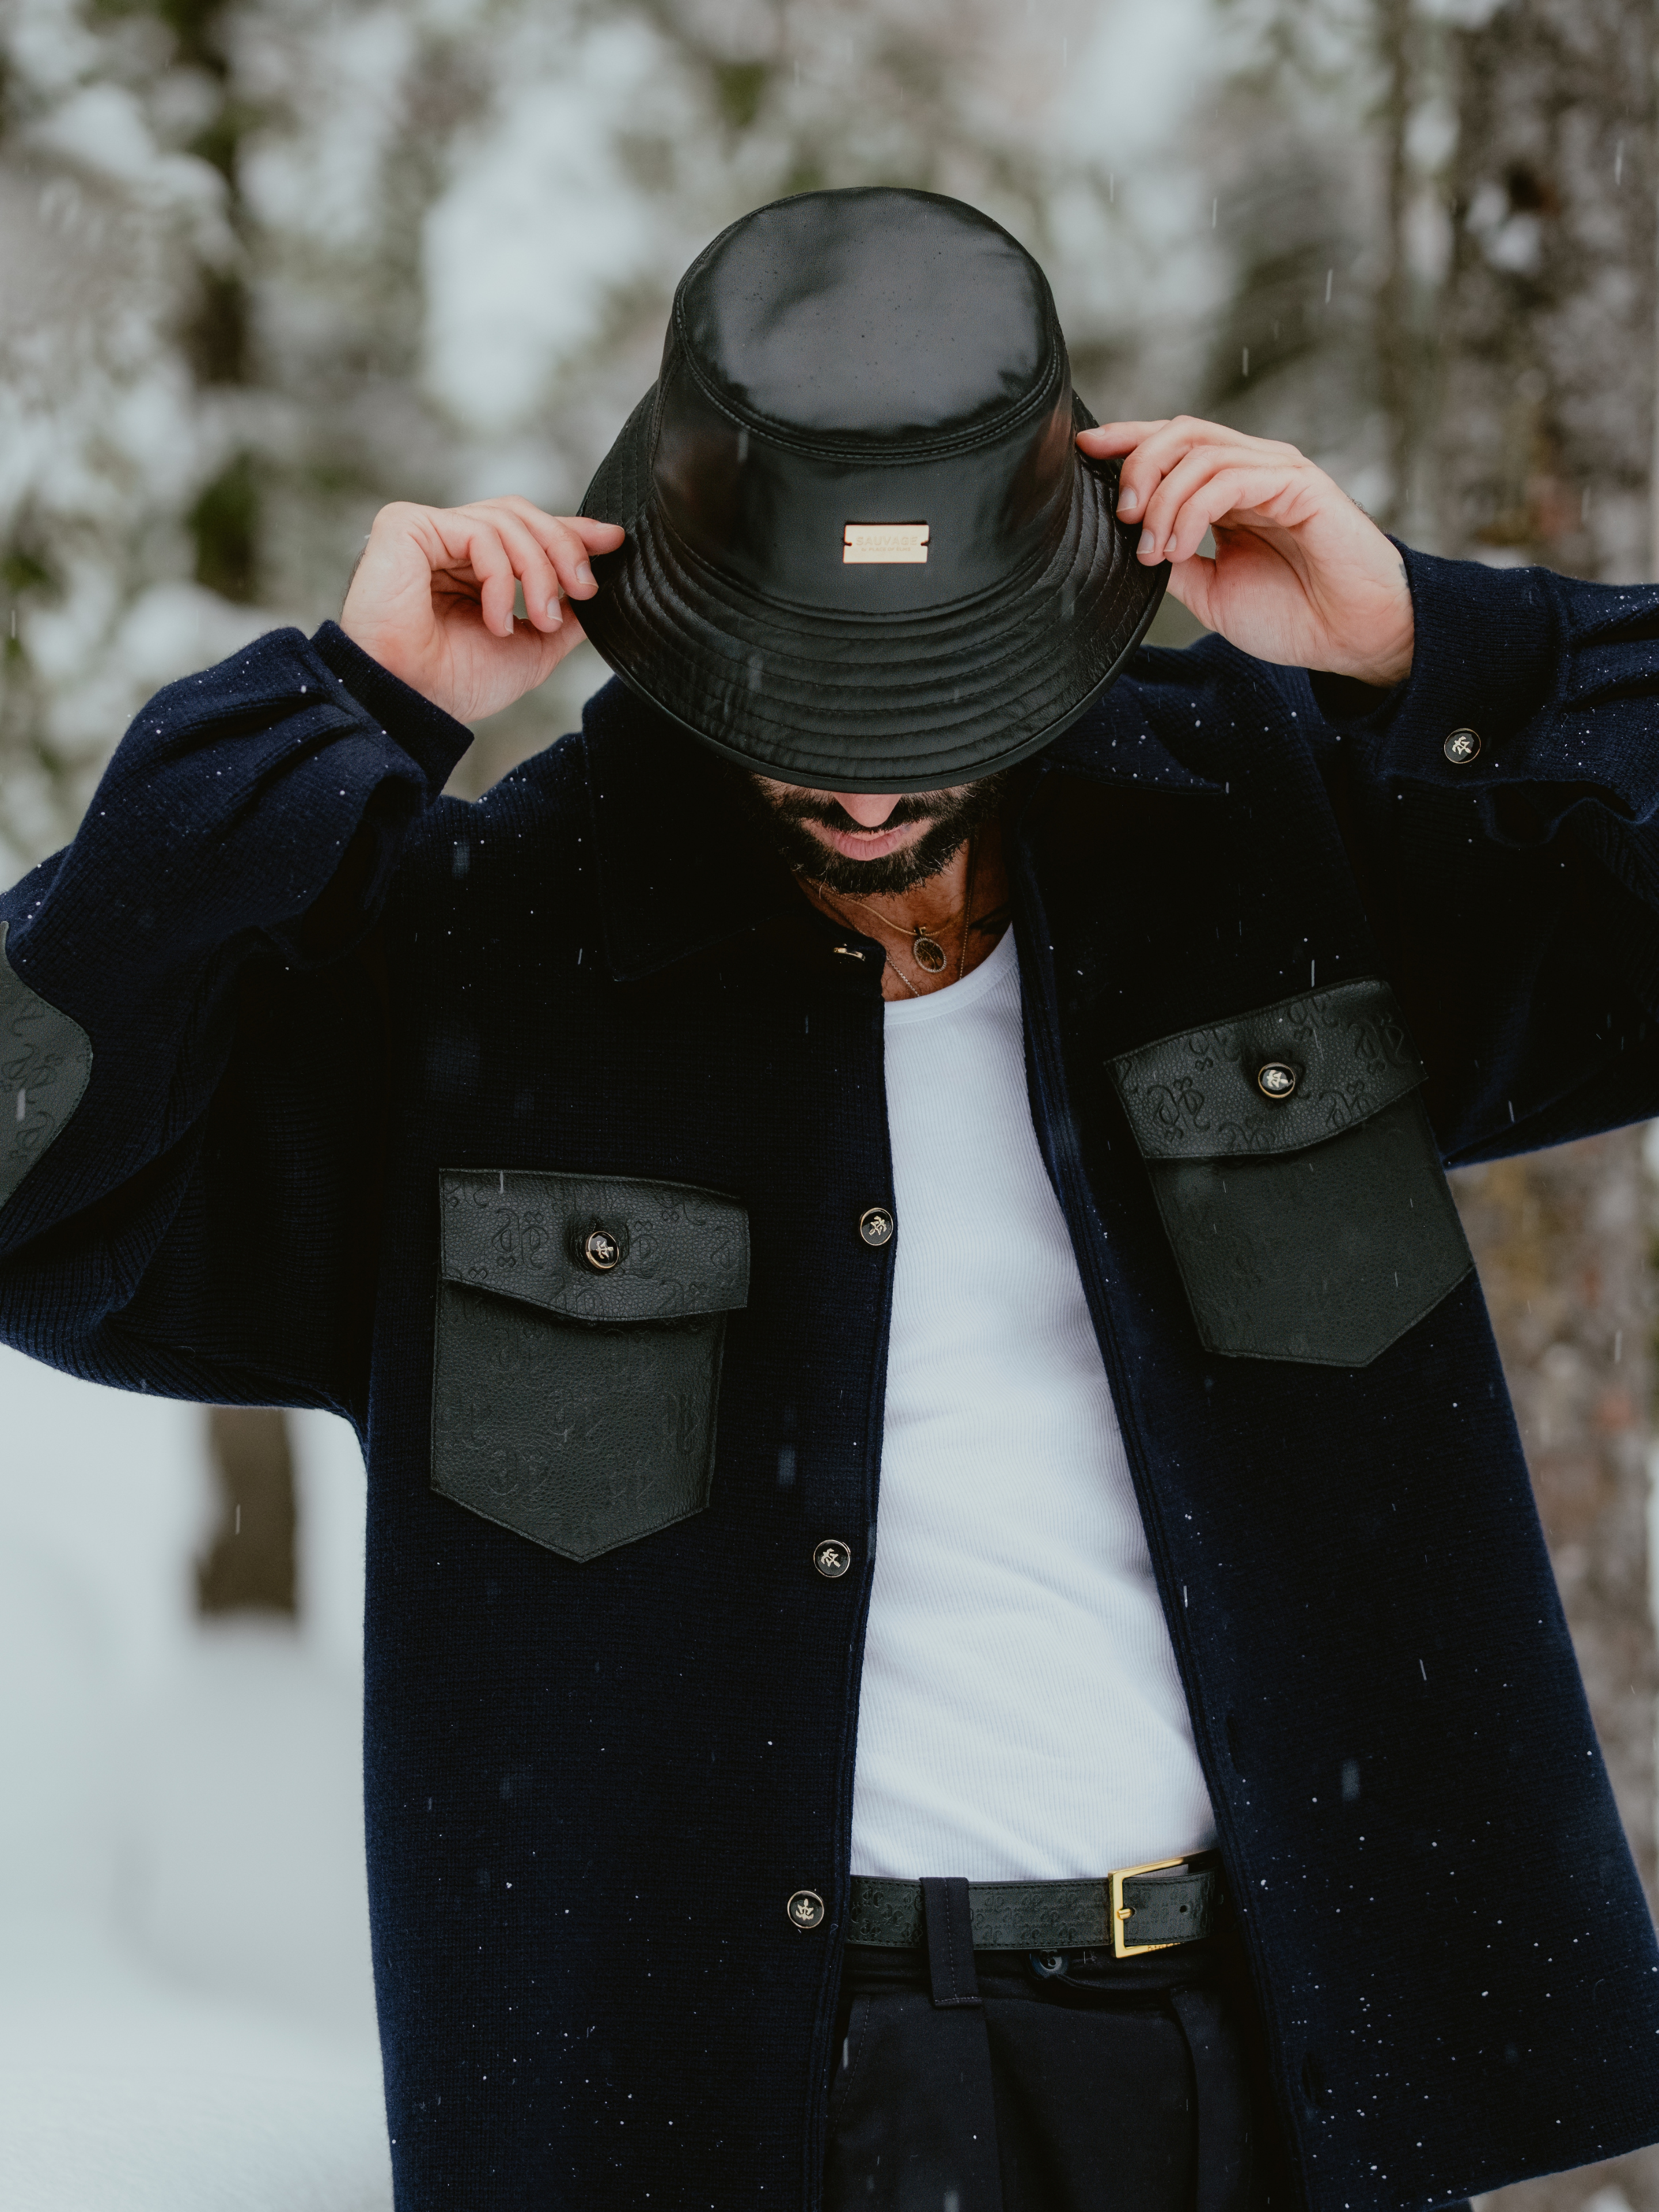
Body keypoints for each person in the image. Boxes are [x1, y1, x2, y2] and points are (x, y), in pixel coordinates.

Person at [2, 184, 1657, 2212]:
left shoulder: (1269, 843)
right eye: (813, 714)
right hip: (737, 2115)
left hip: (1278, 2075)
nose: (871, 792)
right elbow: (28, 1171)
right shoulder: (496, 957)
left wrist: (1429, 638)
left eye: (930, 710)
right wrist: (334, 714)